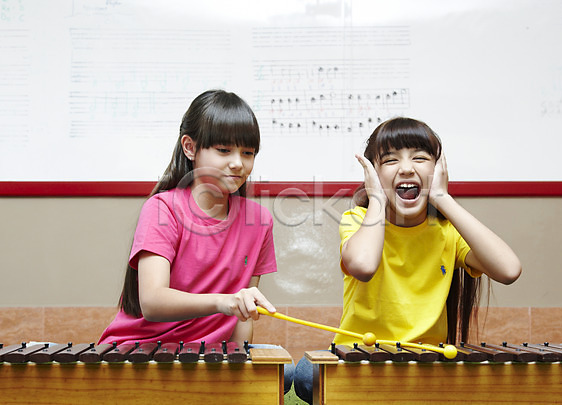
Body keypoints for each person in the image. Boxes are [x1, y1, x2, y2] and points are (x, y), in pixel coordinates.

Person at [294, 117, 521, 403]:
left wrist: (442, 197)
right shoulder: (358, 220)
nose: (405, 168)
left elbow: (509, 270)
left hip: (424, 364)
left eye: (420, 158)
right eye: (390, 160)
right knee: (306, 373)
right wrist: (377, 198)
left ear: (438, 170)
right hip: (358, 360)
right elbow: (363, 266)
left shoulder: (447, 232)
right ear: (373, 174)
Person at [98, 90, 293, 391]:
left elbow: (242, 313)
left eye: (248, 153)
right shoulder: (162, 209)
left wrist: (238, 365)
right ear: (190, 147)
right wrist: (223, 301)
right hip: (142, 352)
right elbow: (152, 301)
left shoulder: (260, 221)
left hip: (207, 356)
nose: (238, 163)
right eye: (224, 150)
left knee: (285, 373)